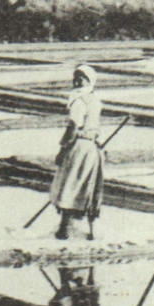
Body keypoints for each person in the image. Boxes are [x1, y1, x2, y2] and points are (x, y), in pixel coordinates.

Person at [47, 65, 104, 240]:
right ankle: (90, 231)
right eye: (76, 77)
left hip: (79, 146)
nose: (77, 81)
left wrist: (63, 148)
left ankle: (63, 229)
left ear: (90, 80)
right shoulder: (95, 99)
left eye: (82, 78)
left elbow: (73, 127)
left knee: (69, 185)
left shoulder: (79, 101)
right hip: (92, 148)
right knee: (88, 187)